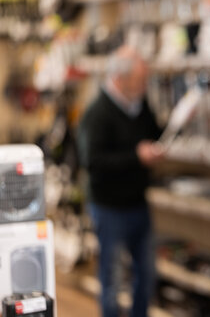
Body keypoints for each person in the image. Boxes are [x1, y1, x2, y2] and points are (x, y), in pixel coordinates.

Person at [77, 45, 164, 317]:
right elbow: (93, 162)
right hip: (109, 207)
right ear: (121, 78)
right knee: (112, 277)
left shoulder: (139, 105)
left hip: (138, 202)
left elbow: (154, 133)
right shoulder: (96, 114)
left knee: (146, 273)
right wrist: (135, 156)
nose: (144, 85)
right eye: (140, 80)